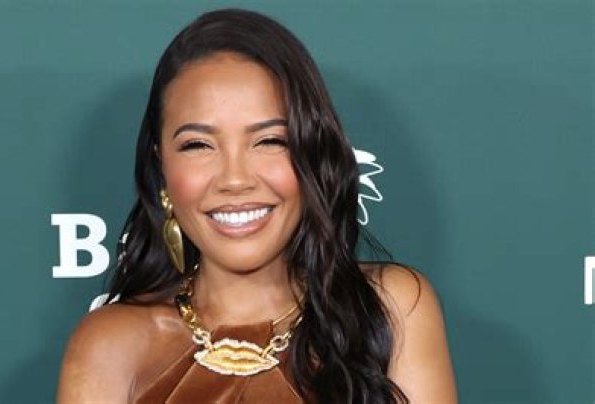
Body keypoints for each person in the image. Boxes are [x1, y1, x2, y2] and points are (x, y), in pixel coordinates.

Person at [57, 8, 456, 404]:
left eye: (269, 141)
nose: (235, 179)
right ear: (162, 165)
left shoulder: (391, 310)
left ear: (311, 152)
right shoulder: (109, 345)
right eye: (198, 145)